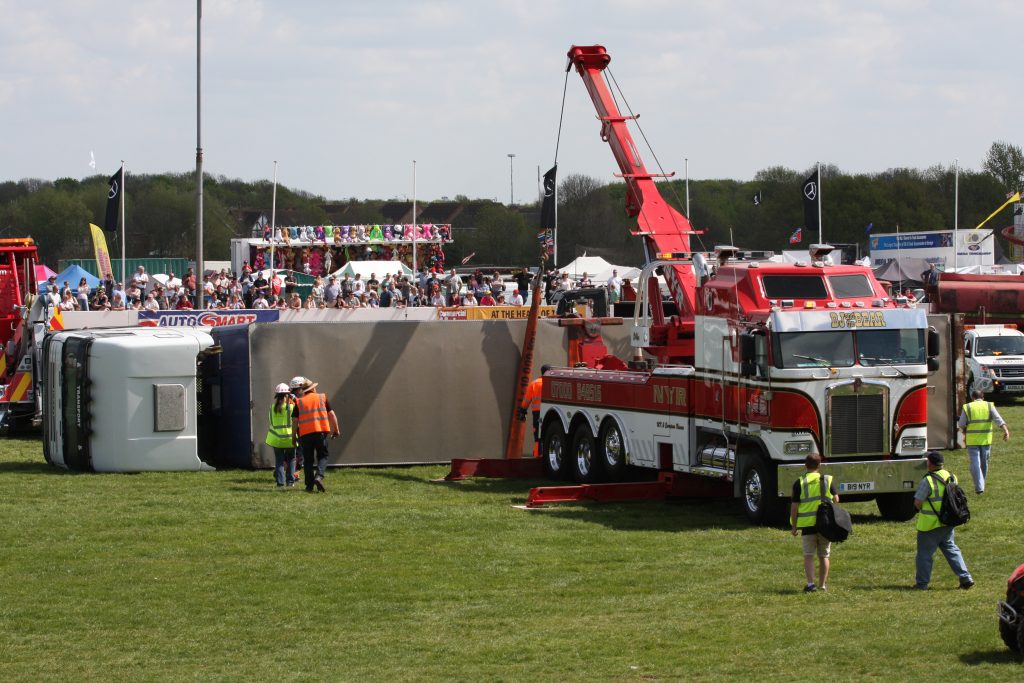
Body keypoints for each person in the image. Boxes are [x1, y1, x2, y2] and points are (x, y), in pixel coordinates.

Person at [913, 451, 973, 590]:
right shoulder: (952, 477)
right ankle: (965, 577)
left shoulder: (927, 480)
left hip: (929, 525)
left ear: (930, 463)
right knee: (951, 549)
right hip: (947, 522)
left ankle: (922, 584)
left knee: (924, 556)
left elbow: (917, 502)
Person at [790, 453, 839, 593]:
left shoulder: (799, 482)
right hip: (825, 525)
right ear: (820, 465)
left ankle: (810, 584)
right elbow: (836, 499)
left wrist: (794, 526)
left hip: (807, 526)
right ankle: (822, 585)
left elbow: (794, 506)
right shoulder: (827, 480)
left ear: (805, 465)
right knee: (824, 555)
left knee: (808, 555)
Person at [290, 376, 340, 493]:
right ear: (313, 389)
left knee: (308, 460)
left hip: (305, 434)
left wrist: (293, 437)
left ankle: (309, 486)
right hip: (321, 433)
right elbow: (332, 415)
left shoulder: (298, 402)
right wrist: (336, 430)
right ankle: (319, 476)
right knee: (323, 456)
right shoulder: (322, 397)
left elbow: (295, 421)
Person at [957, 389, 1010, 495]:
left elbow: (961, 424)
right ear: (983, 397)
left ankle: (979, 487)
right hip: (986, 440)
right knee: (984, 463)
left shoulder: (967, 407)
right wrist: (1006, 431)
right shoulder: (989, 406)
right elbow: (998, 419)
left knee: (975, 463)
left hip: (972, 440)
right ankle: (982, 484)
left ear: (972, 397)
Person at [265, 382, 298, 488]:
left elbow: (270, 422)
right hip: (289, 439)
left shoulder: (271, 408)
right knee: (291, 460)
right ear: (287, 395)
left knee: (279, 461)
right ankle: (290, 482)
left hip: (276, 439)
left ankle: (280, 482)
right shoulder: (292, 408)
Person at [519, 365, 551, 457]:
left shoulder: (534, 383)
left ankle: (537, 456)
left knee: (538, 435)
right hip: (550, 413)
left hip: (537, 413)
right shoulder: (552, 384)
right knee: (548, 434)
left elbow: (526, 400)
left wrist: (523, 411)